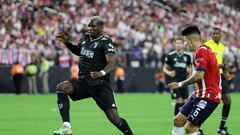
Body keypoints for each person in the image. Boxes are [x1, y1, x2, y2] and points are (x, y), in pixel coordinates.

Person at [53, 16, 133, 135]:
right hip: (84, 82)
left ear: (101, 27)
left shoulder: (105, 42)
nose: (90, 28)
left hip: (100, 85)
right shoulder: (85, 38)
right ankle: (66, 127)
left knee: (115, 119)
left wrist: (101, 73)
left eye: (93, 26)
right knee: (62, 88)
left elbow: (112, 63)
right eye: (89, 25)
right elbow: (78, 51)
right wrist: (67, 43)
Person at [168, 26, 222, 135]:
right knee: (178, 120)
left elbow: (199, 76)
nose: (184, 45)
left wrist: (179, 84)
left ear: (191, 41)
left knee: (190, 127)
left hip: (209, 96)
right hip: (198, 94)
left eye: (185, 41)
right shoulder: (203, 50)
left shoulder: (202, 51)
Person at [204, 27, 232, 135]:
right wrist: (222, 65)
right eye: (213, 33)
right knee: (209, 102)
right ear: (211, 35)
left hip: (220, 75)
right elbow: (207, 63)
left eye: (217, 34)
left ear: (221, 35)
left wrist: (225, 72)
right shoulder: (207, 45)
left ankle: (221, 128)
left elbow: (220, 61)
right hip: (211, 76)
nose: (215, 35)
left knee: (228, 101)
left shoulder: (222, 46)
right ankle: (198, 126)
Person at [163, 37, 192, 115]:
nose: (178, 45)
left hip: (184, 82)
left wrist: (189, 71)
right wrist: (169, 73)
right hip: (173, 82)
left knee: (185, 101)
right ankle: (176, 121)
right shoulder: (170, 55)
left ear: (183, 45)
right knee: (179, 100)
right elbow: (164, 68)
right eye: (177, 43)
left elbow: (190, 67)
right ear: (174, 44)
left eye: (180, 43)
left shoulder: (188, 56)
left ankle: (181, 118)